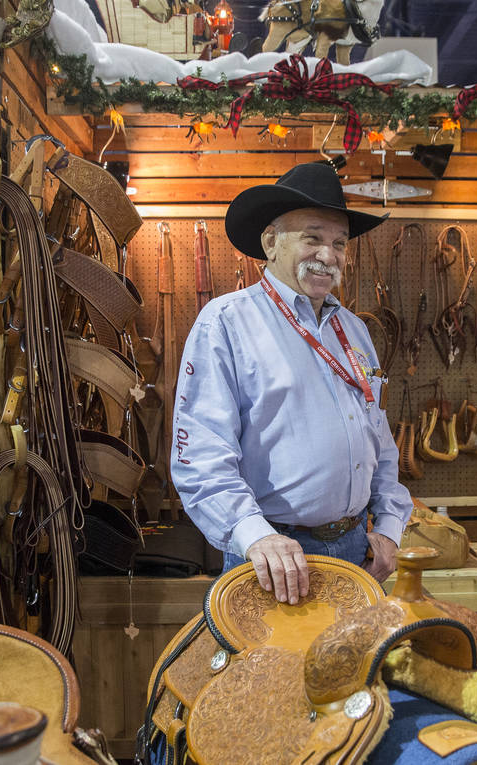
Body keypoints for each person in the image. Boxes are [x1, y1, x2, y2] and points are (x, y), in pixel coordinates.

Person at [172, 162, 412, 604]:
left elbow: (379, 441)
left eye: (339, 243)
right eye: (313, 238)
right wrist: (255, 537)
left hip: (358, 553)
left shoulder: (354, 331)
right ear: (270, 243)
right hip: (272, 557)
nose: (329, 254)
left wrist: (390, 529)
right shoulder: (225, 324)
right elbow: (201, 456)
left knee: (352, 673)